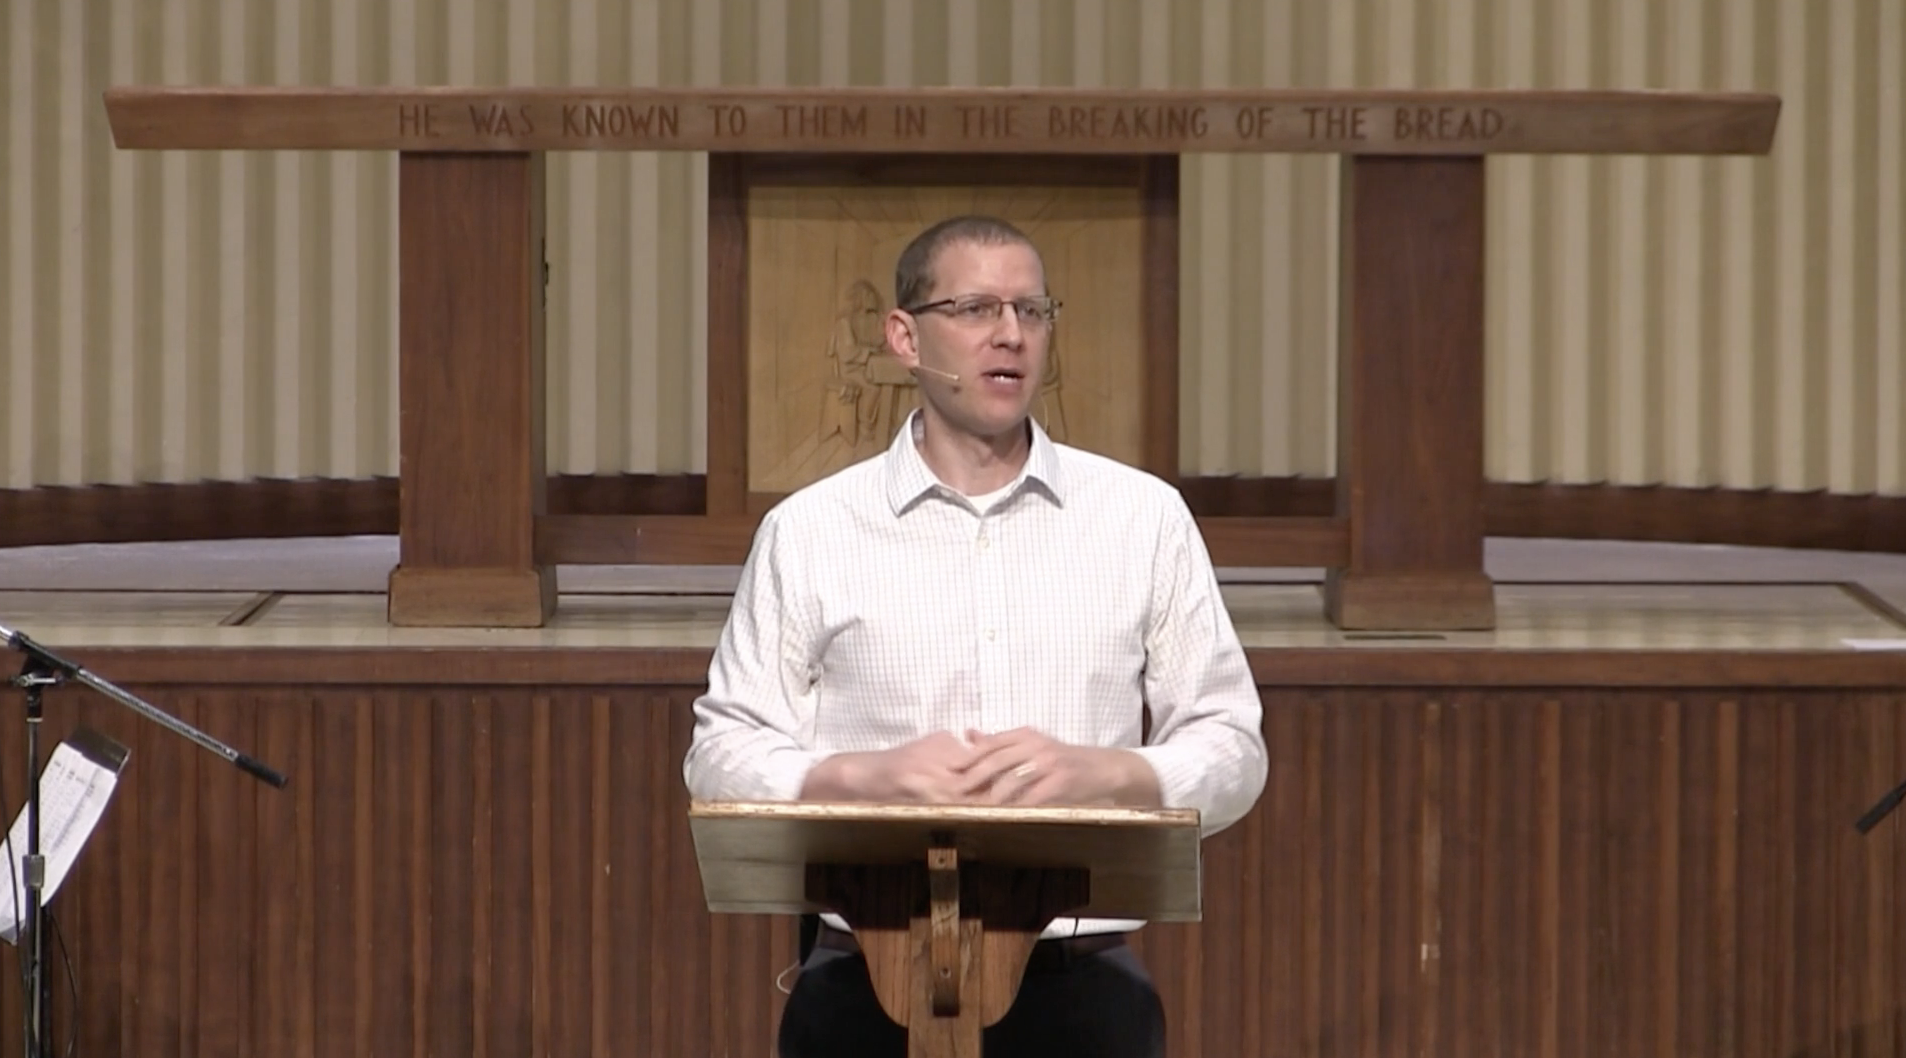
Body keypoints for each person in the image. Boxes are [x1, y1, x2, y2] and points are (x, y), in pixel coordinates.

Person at [683, 214, 1268, 1058]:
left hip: (1081, 987)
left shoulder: (1142, 519)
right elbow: (720, 754)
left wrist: (1112, 775)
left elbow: (1233, 745)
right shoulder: (811, 530)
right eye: (975, 309)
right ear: (904, 337)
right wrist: (859, 778)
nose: (1010, 334)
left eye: (1032, 311)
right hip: (861, 979)